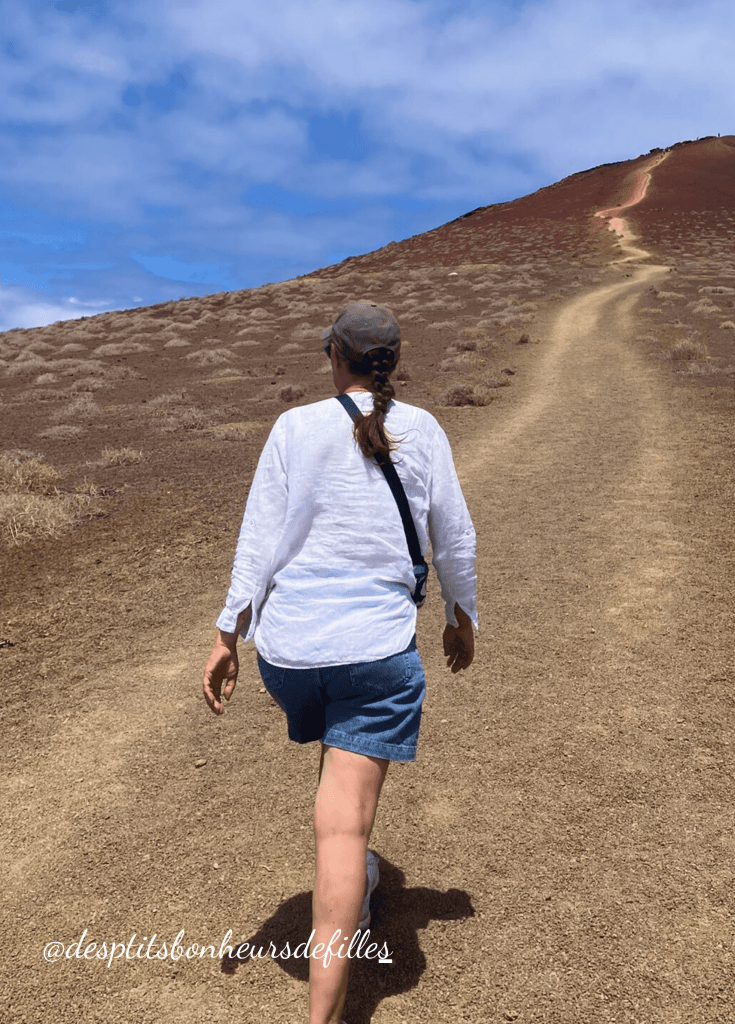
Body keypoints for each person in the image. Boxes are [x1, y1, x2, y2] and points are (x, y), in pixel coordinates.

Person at [202, 300, 478, 1024]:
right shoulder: (422, 429)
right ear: (394, 358)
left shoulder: (294, 428)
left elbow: (258, 538)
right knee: (343, 826)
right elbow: (453, 536)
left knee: (336, 771)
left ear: (334, 356)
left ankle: (355, 874)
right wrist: (459, 616)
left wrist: (229, 634)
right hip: (376, 652)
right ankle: (330, 994)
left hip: (290, 655)